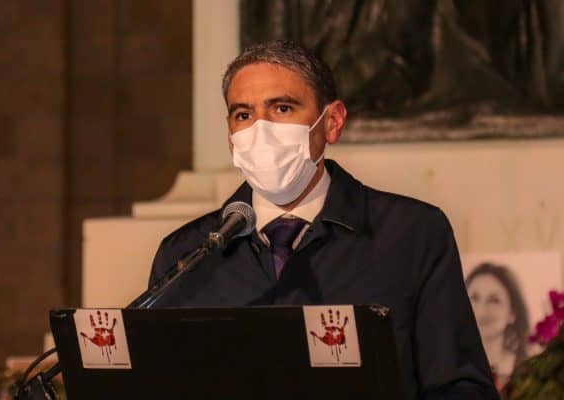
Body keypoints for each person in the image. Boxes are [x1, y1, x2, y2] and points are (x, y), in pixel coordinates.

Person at [149, 40, 498, 399]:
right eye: (243, 115)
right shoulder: (188, 255)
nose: (260, 131)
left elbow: (461, 386)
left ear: (332, 122)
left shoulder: (410, 234)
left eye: (282, 108)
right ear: (229, 135)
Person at [465, 262, 530, 389]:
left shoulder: (528, 370)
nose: (481, 311)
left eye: (494, 300)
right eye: (474, 298)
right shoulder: (445, 366)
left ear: (512, 313)